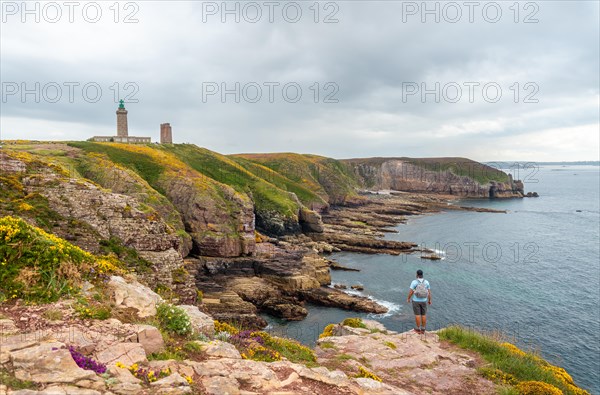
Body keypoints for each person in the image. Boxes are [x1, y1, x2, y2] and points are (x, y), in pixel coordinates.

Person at [406, 269, 431, 334]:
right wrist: (429, 300)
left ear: (417, 275)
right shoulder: (426, 282)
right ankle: (423, 329)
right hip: (424, 301)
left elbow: (411, 292)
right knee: (423, 315)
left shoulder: (414, 282)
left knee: (417, 315)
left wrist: (408, 298)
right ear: (422, 275)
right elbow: (429, 292)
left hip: (416, 301)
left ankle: (418, 329)